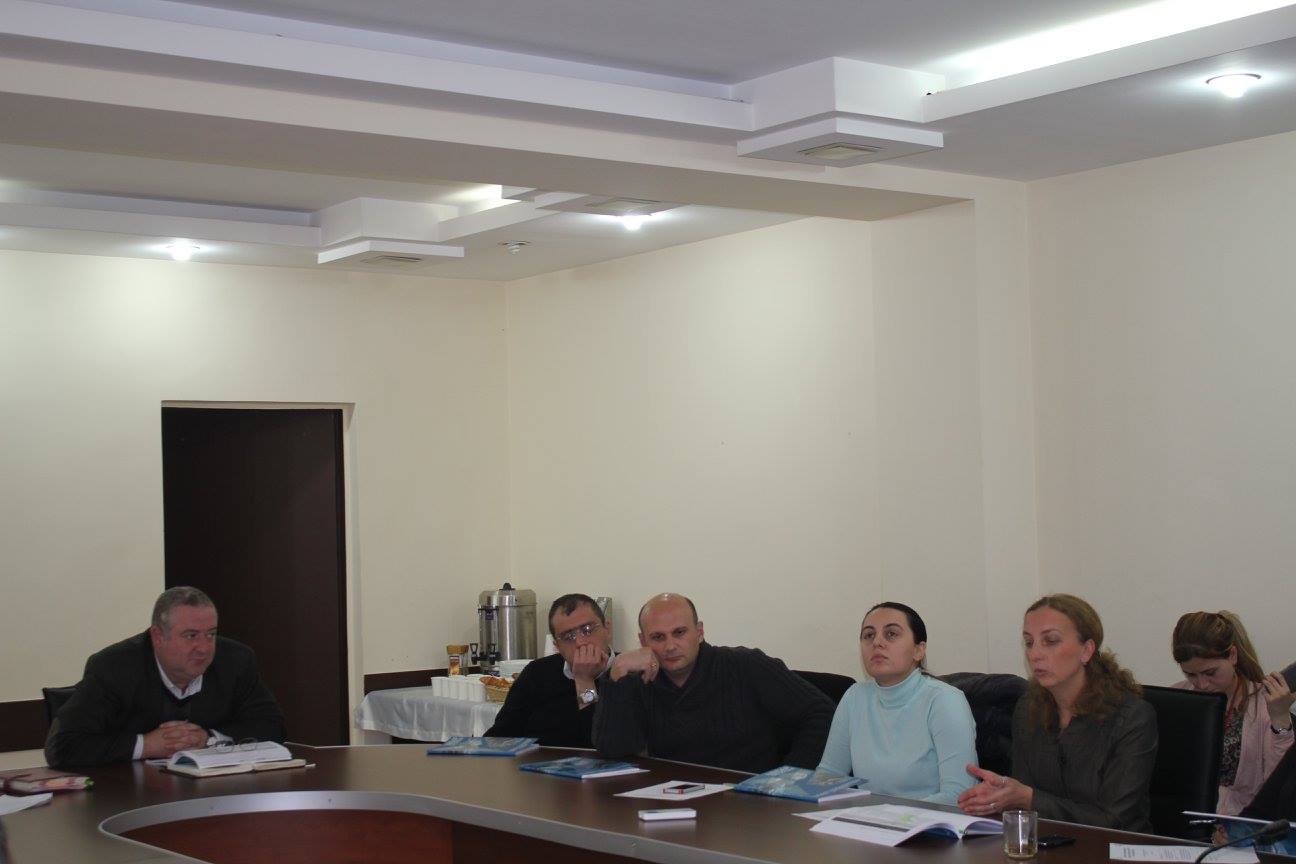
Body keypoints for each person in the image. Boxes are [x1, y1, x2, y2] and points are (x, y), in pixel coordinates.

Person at [957, 593, 1157, 832]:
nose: (1034, 654)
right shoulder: (1027, 708)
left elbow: (1114, 821)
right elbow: (1022, 800)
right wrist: (1001, 795)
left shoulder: (1132, 717)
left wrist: (1027, 799)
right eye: (1029, 642)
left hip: (1116, 846)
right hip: (1048, 842)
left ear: (1086, 650)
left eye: (1050, 641)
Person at [45, 586, 285, 768]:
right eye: (191, 636)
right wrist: (147, 745)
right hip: (125, 797)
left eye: (211, 634)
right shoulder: (114, 667)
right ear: (158, 637)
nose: (204, 648)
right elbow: (63, 746)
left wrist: (209, 738)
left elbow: (273, 726)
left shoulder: (235, 660)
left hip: (212, 793)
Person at [592, 593, 833, 773]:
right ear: (643, 641)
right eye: (658, 637)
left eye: (679, 632)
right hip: (670, 802)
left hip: (749, 806)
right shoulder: (636, 680)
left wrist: (790, 777)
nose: (670, 646)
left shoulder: (745, 665)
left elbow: (821, 713)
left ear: (699, 632)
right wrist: (617, 673)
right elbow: (612, 752)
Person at [817, 602, 977, 804]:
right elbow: (829, 776)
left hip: (929, 821)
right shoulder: (855, 697)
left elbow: (959, 795)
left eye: (891, 634)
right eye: (869, 635)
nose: (877, 642)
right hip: (869, 819)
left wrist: (887, 816)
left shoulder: (944, 700)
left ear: (919, 650)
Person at [1171, 611, 1294, 815]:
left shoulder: (1263, 705)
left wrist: (1280, 718)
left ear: (1233, 656)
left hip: (1241, 823)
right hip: (1182, 816)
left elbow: (1279, 789)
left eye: (1210, 673)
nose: (1202, 684)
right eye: (1190, 674)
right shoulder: (1177, 697)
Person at [484, 593, 614, 747]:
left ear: (607, 629)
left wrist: (585, 681)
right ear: (557, 646)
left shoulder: (627, 674)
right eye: (568, 637)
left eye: (587, 629)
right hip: (535, 761)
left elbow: (600, 744)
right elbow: (498, 737)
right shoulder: (537, 673)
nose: (580, 642)